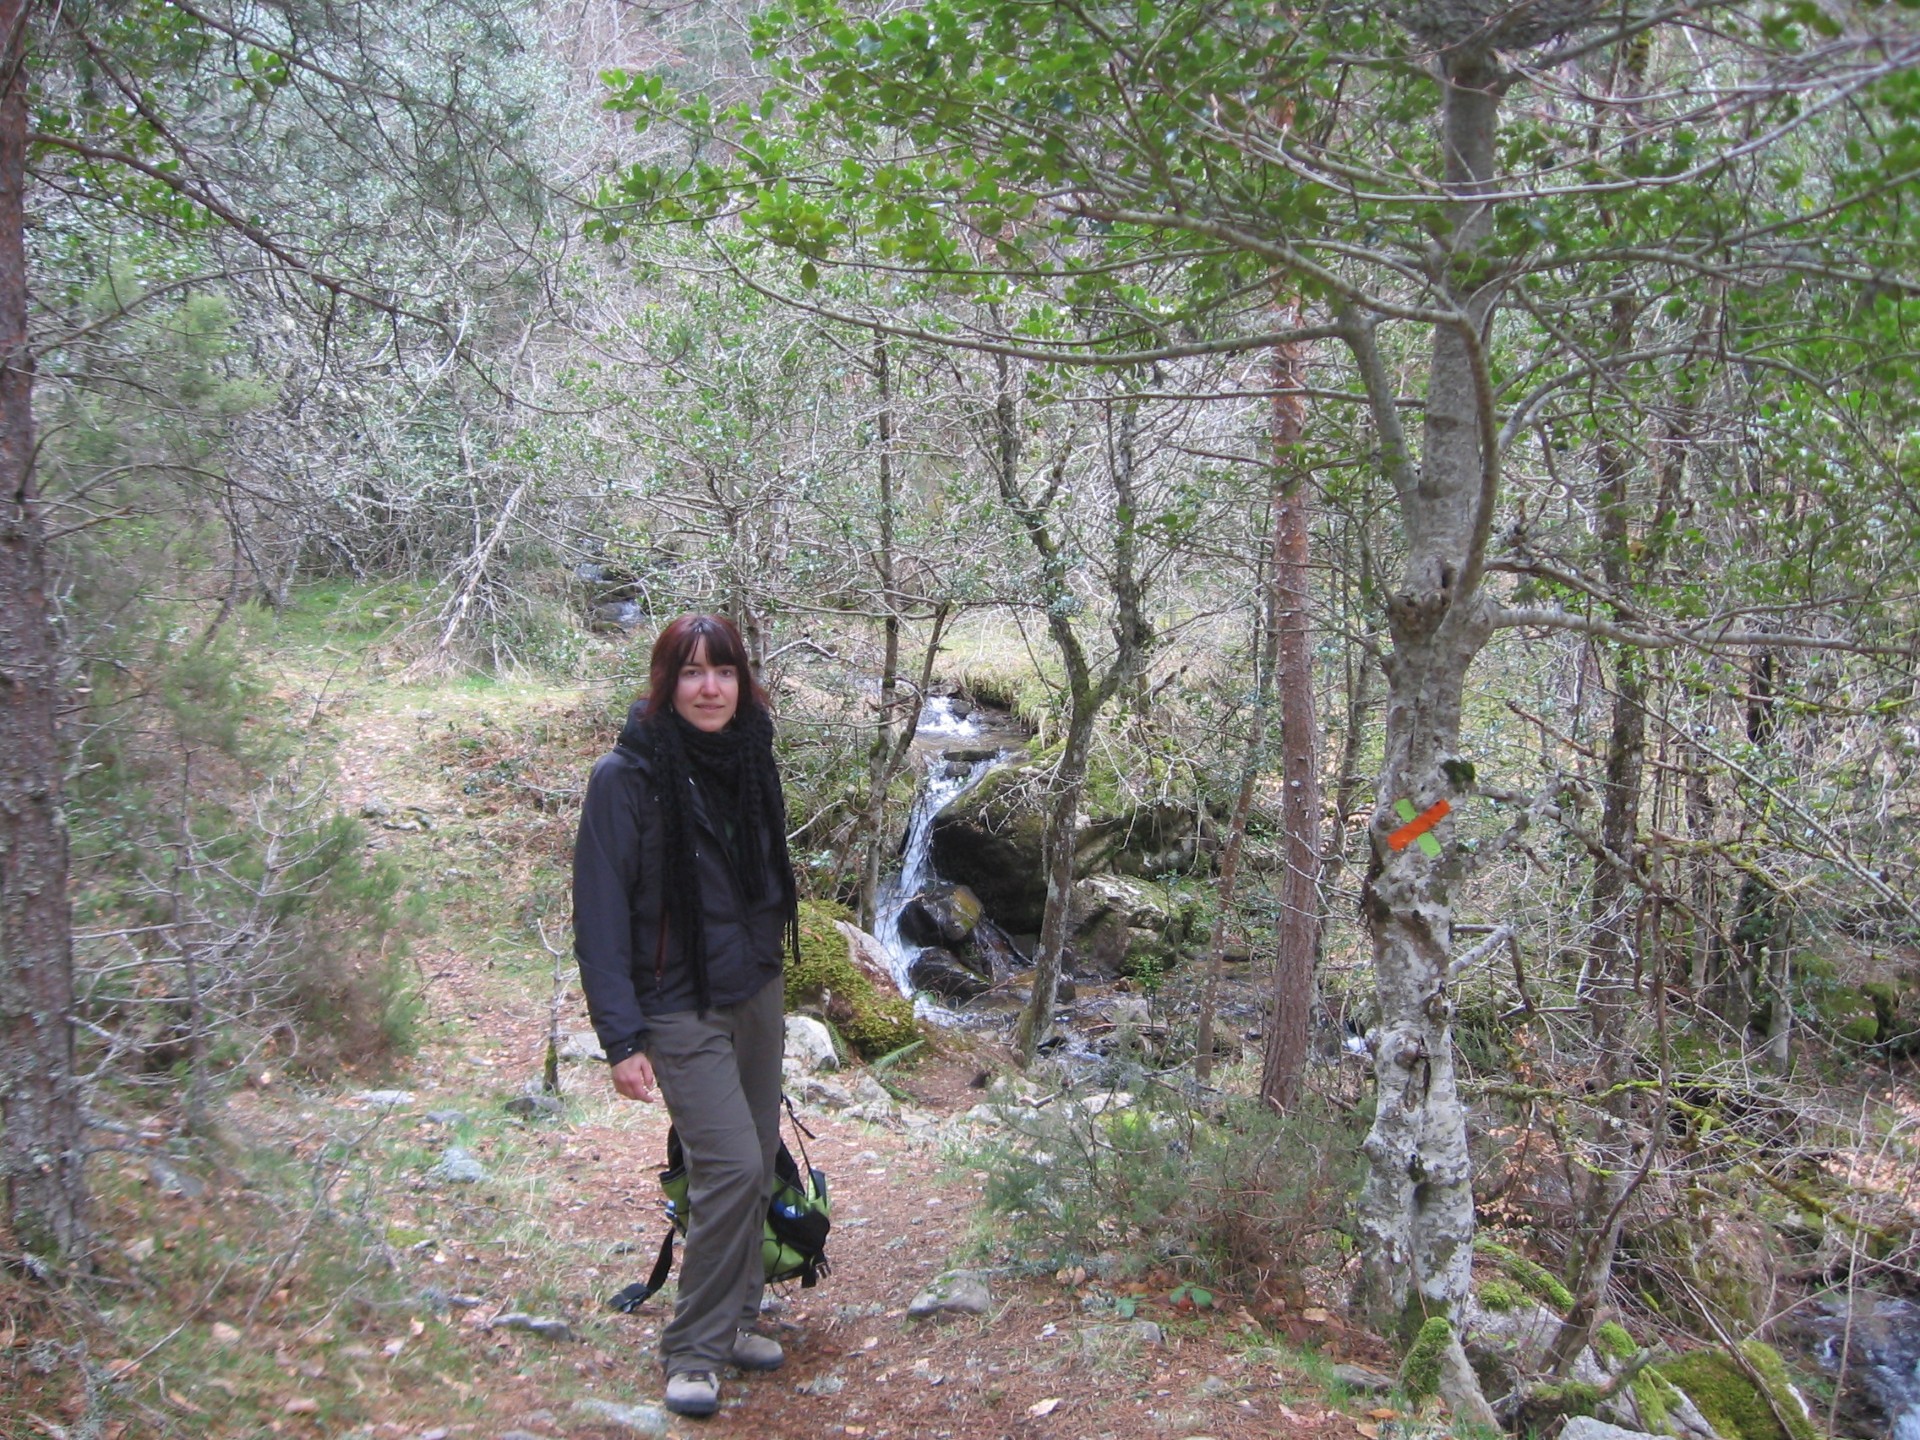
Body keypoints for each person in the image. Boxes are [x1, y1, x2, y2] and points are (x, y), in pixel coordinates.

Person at [572, 613, 801, 1418]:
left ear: (743, 681)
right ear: (666, 683)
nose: (711, 689)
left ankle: (737, 1321)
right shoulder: (625, 778)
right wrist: (620, 1038)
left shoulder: (749, 754)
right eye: (693, 673)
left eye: (724, 672)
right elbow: (600, 914)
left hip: (755, 990)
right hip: (676, 1003)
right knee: (730, 1166)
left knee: (755, 1161)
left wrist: (770, 958)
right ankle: (694, 1351)